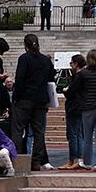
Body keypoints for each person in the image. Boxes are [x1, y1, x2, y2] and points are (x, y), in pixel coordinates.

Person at [7, 34, 57, 170]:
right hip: (41, 100)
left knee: (18, 129)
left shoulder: (24, 58)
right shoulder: (45, 60)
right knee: (39, 132)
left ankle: (16, 159)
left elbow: (20, 78)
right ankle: (36, 161)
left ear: (25, 45)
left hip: (24, 99)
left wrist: (16, 97)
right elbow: (51, 78)